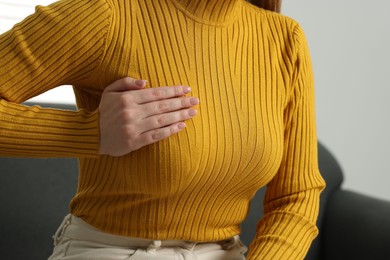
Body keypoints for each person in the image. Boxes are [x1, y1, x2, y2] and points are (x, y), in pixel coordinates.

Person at [0, 0, 325, 259]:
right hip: (114, 251)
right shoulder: (105, 15)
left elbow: (296, 196)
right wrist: (91, 132)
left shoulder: (284, 39)